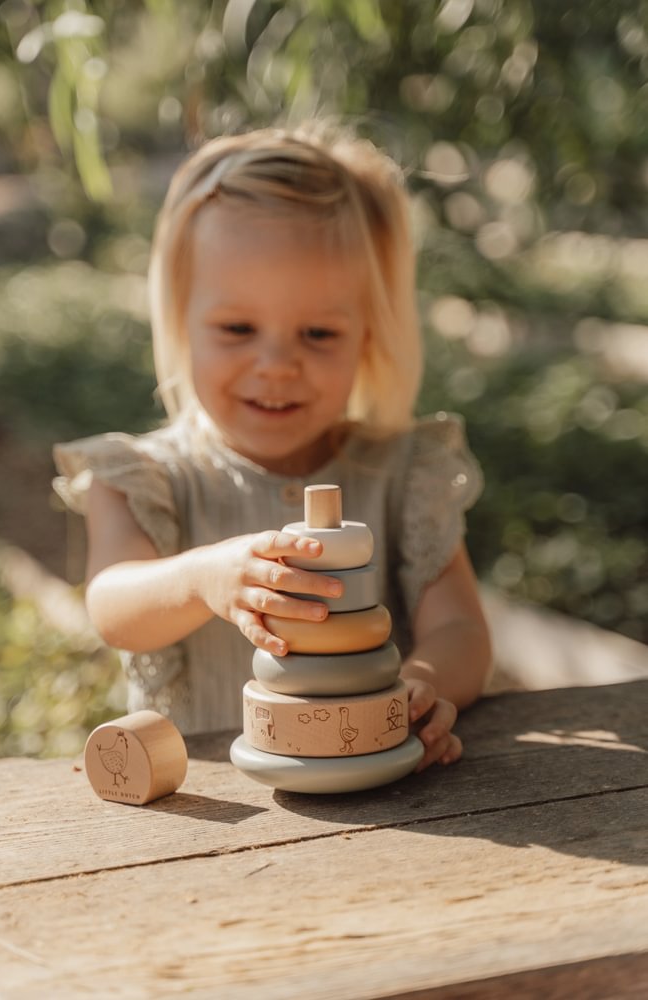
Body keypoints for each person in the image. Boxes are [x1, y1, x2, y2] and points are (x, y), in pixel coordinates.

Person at [53, 123, 492, 772]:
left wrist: (424, 682)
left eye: (317, 332)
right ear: (181, 320)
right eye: (237, 328)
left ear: (367, 335)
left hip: (378, 794)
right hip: (208, 813)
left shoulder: (403, 473)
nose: (277, 364)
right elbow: (113, 606)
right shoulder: (143, 477)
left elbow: (461, 631)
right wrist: (201, 580)